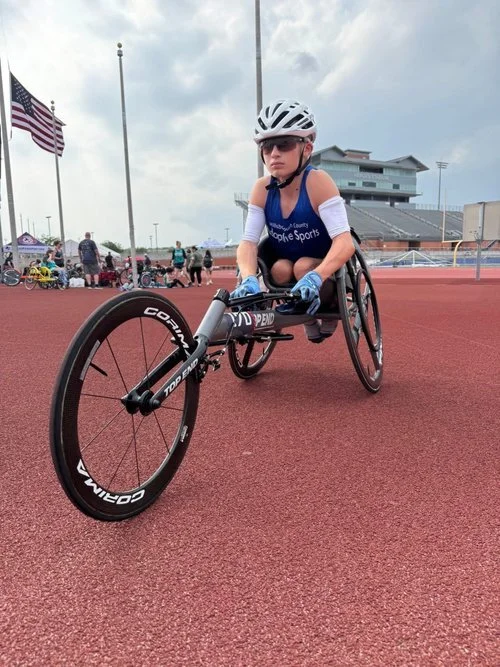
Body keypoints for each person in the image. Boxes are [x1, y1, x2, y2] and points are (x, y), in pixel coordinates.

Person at [231, 99, 355, 343]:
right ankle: (307, 317)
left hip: (323, 265)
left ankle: (328, 308)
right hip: (286, 263)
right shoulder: (261, 189)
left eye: (284, 144)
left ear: (307, 148)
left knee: (302, 267)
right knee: (279, 269)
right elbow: (248, 243)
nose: (274, 153)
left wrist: (316, 276)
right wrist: (248, 277)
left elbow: (345, 241)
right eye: (267, 147)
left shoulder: (319, 182)